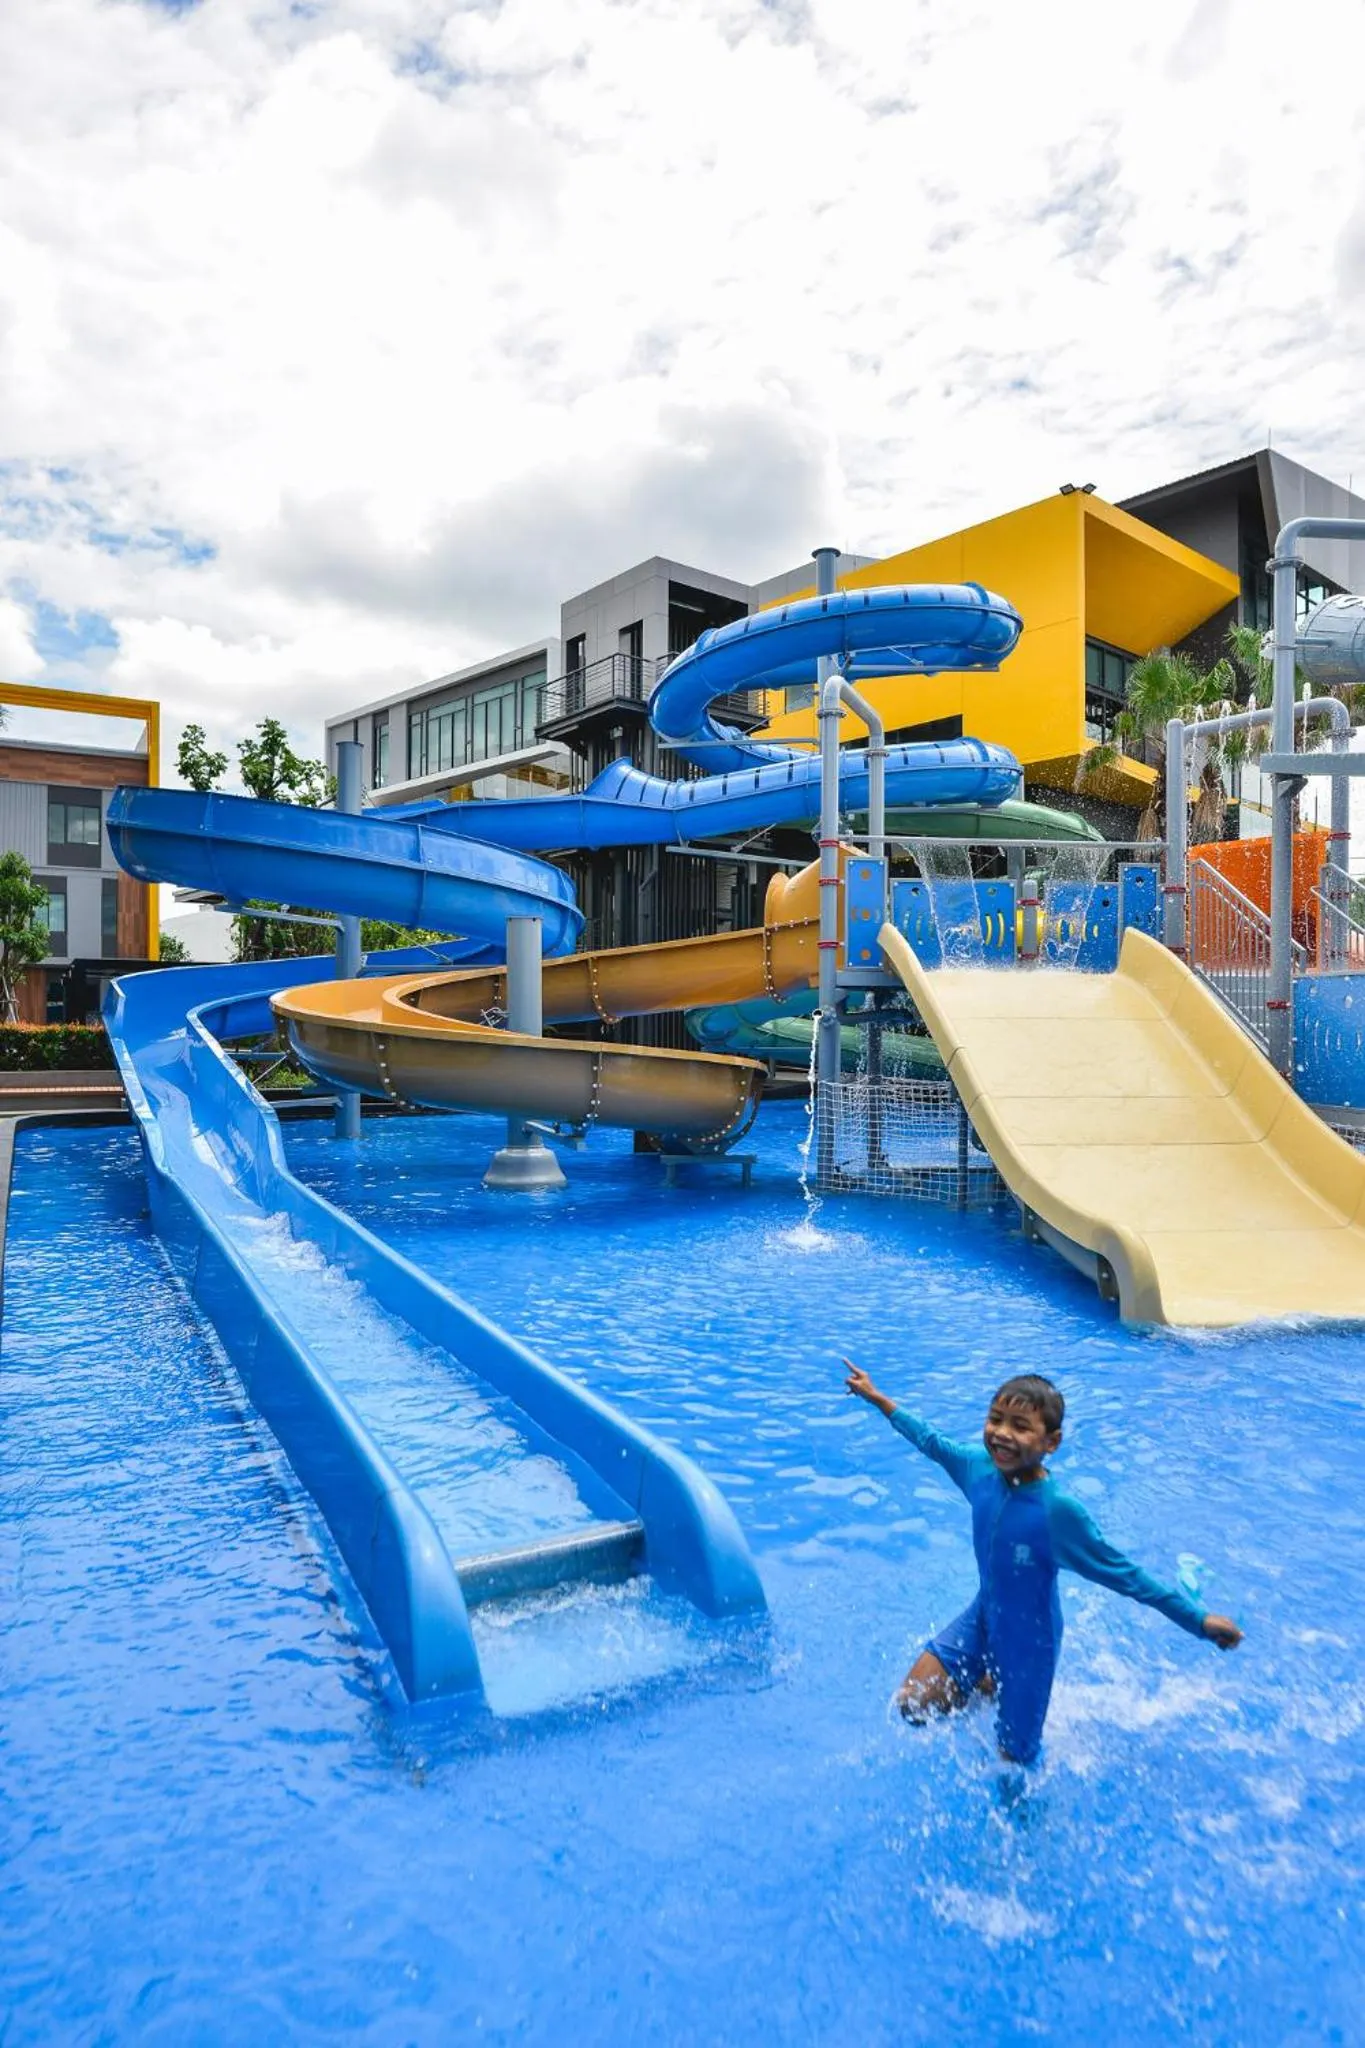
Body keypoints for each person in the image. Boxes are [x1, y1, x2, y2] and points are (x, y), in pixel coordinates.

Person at [843, 1361, 1242, 1765]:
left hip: (1030, 1643)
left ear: (1052, 1442)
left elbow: (1128, 1577)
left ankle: (1000, 1687)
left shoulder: (1058, 1513)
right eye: (995, 1419)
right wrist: (877, 1398)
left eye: (1020, 1426)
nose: (1001, 1433)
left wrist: (1199, 1621)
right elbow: (930, 1440)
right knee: (913, 1706)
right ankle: (985, 1683)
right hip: (981, 1617)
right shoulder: (976, 1467)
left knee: (1014, 1765)